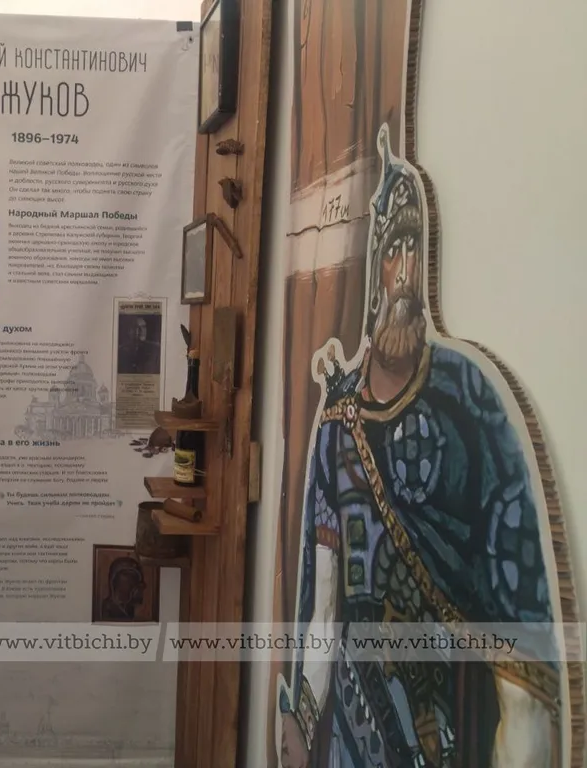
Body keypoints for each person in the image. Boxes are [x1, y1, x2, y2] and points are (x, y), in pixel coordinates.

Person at [277, 125, 559, 767]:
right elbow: (324, 605)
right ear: (378, 264)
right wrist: (303, 716)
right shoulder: (339, 421)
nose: (404, 271)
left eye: (413, 248)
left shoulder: (468, 403)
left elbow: (520, 654)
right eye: (393, 250)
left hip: (447, 722)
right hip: (355, 726)